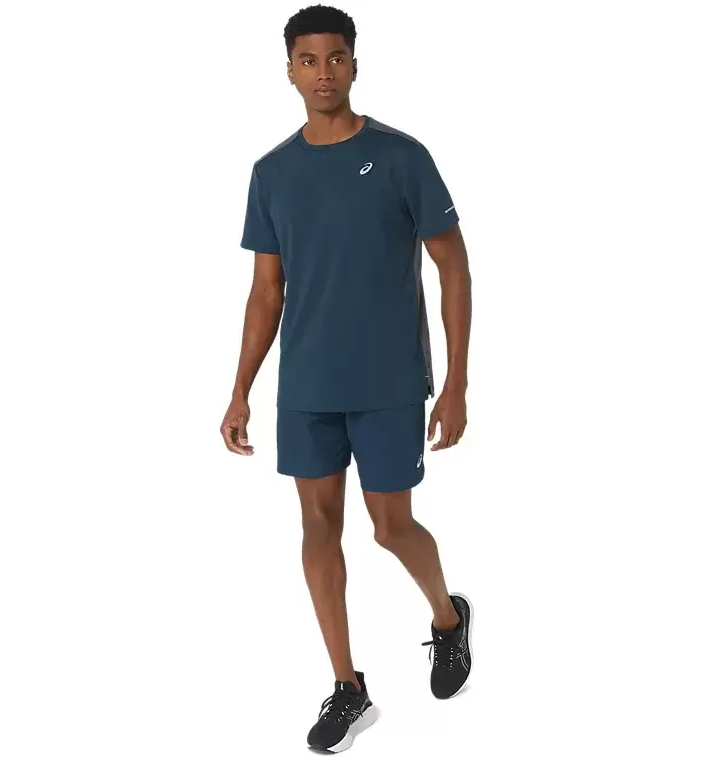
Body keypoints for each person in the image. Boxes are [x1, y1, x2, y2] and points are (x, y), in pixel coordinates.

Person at [220, 4, 473, 754]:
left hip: (390, 380)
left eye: (335, 58)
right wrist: (240, 390)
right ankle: (347, 686)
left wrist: (457, 382)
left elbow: (454, 266)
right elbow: (266, 292)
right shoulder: (271, 173)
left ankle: (448, 617)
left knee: (390, 526)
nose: (323, 72)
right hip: (307, 385)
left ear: (355, 65)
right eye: (308, 60)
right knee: (317, 528)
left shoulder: (401, 157)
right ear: (289, 71)